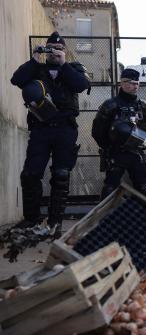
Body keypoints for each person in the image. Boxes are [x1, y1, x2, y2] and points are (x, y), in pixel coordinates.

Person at [10, 31, 90, 236]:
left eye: (59, 49)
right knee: (30, 174)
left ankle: (55, 223)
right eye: (51, 49)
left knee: (61, 175)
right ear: (45, 50)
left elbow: (81, 85)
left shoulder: (73, 68)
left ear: (65, 51)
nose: (55, 52)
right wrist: (34, 60)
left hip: (65, 129)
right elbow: (16, 80)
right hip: (41, 128)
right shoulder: (37, 69)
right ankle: (31, 219)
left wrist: (64, 65)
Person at [91, 68, 146, 200]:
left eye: (137, 83)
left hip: (135, 153)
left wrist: (134, 139)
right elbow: (97, 131)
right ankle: (106, 219)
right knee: (110, 190)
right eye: (131, 83)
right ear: (122, 83)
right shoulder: (110, 105)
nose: (135, 86)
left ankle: (144, 219)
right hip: (116, 153)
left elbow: (145, 130)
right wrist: (109, 147)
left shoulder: (142, 106)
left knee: (145, 189)